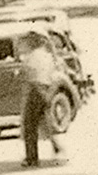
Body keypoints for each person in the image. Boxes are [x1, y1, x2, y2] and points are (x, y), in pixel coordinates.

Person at [21, 32, 65, 167]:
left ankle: (32, 158)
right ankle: (56, 146)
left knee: (30, 126)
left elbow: (28, 74)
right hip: (47, 90)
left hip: (36, 89)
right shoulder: (49, 56)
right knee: (44, 122)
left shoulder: (33, 56)